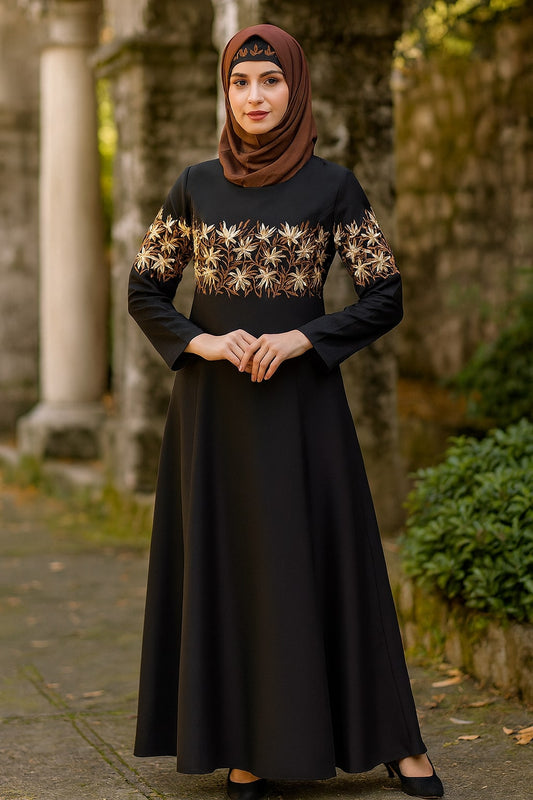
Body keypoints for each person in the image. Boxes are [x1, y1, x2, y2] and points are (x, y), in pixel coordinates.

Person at [128, 23, 444, 800]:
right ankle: (247, 742)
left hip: (302, 411)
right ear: (225, 93)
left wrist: (305, 337)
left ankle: (395, 741)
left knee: (332, 562)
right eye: (240, 82)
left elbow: (385, 296)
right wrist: (200, 345)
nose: (255, 97)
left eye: (269, 81)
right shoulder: (195, 184)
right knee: (236, 566)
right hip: (216, 415)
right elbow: (143, 290)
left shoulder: (332, 185)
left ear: (294, 89)